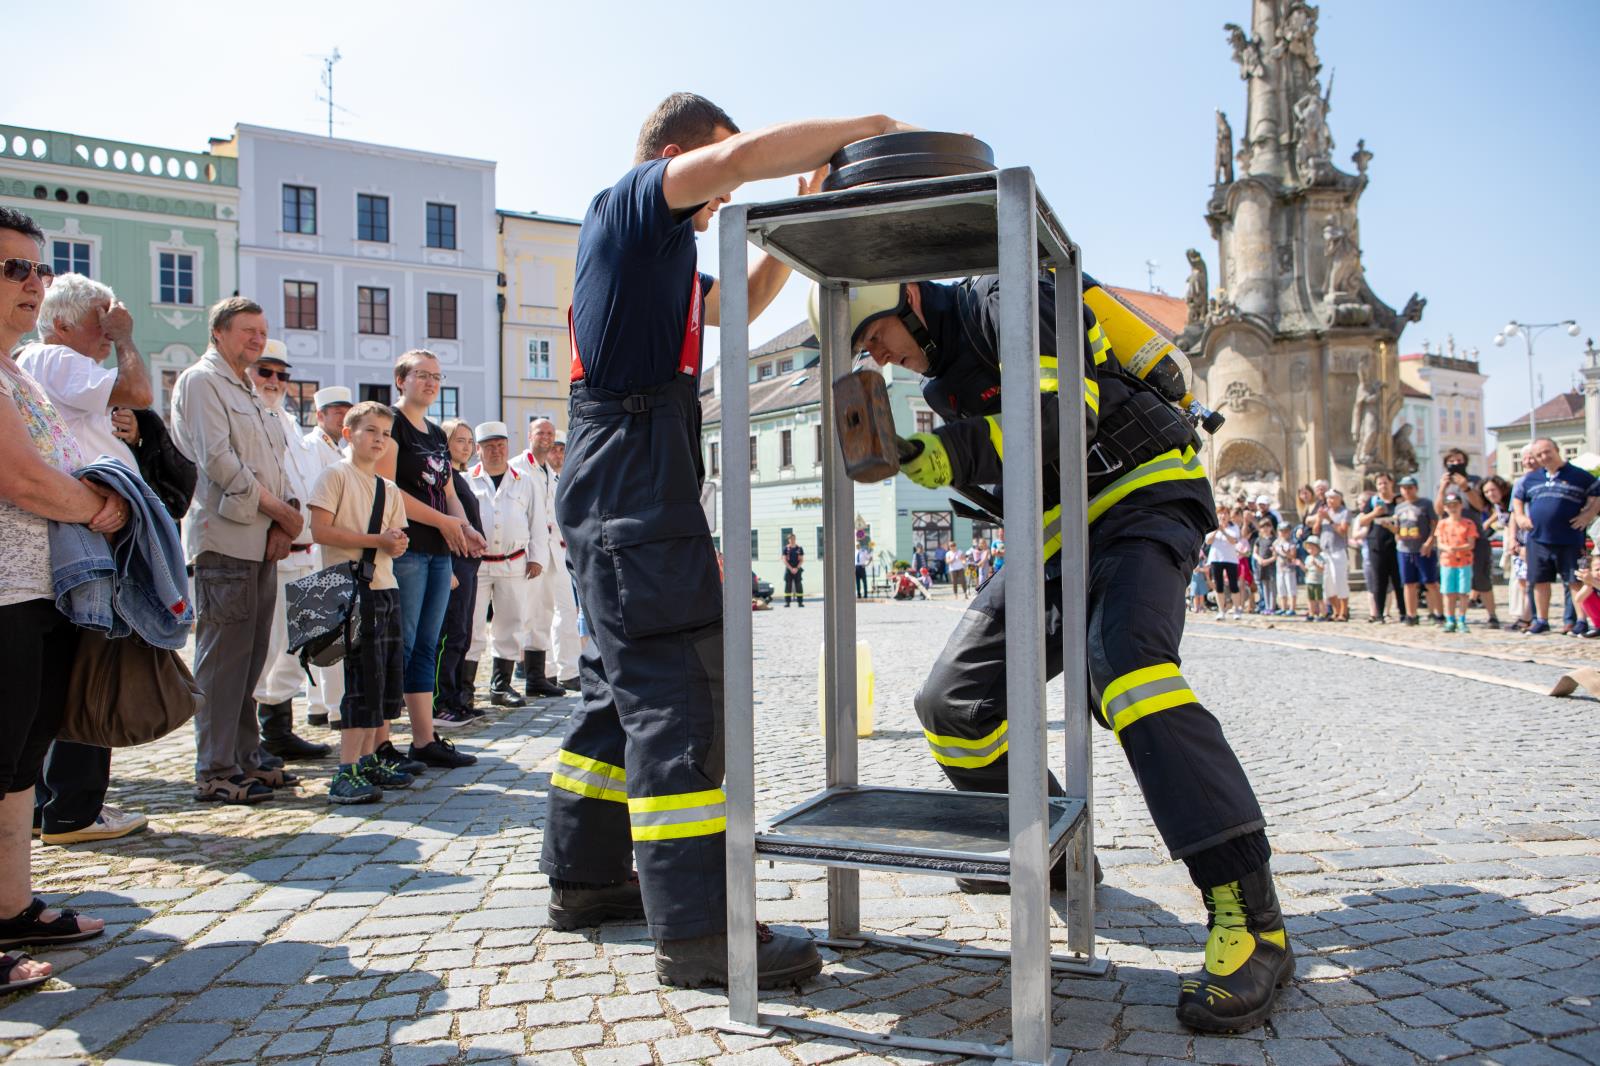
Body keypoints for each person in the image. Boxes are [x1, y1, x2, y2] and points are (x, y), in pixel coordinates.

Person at [811, 265, 1289, 1033]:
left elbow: (1064, 419)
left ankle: (1251, 917)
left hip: (1144, 496)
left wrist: (938, 455)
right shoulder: (945, 389)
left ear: (905, 299)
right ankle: (1056, 853)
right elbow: (1012, 478)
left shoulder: (1013, 296)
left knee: (1129, 673)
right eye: (864, 352)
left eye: (877, 337)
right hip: (1058, 538)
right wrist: (925, 451)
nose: (880, 357)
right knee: (952, 705)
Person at [541, 95, 920, 990]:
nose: (715, 202)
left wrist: (794, 209)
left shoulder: (662, 262)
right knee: (680, 695)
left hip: (622, 479)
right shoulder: (631, 204)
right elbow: (735, 160)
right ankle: (703, 931)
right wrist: (859, 128)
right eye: (707, 177)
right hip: (633, 481)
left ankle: (587, 880)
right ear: (674, 157)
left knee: (616, 692)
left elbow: (745, 300)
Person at [0, 207, 126, 990]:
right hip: (3, 594)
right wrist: (100, 510)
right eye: (15, 269)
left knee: (18, 761)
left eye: (38, 270)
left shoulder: (17, 371)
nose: (34, 284)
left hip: (34, 588)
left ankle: (11, 905)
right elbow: (17, 477)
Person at [16, 272, 151, 846]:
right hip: (84, 531)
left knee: (75, 669)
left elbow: (126, 409)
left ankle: (60, 805)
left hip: (83, 528)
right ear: (64, 322)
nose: (108, 329)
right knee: (88, 668)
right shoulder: (54, 356)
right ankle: (73, 807)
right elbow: (139, 391)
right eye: (101, 320)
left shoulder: (51, 366)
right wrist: (126, 339)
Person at [170, 297, 300, 804]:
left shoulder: (248, 389)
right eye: (247, 330)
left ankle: (246, 757)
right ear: (219, 333)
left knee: (250, 660)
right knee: (223, 661)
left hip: (260, 539)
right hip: (225, 539)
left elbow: (273, 461)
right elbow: (219, 461)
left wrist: (284, 517)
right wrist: (280, 512)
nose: (257, 339)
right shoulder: (202, 382)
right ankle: (216, 768)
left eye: (262, 331)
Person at [375, 350, 481, 768]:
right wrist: (445, 523)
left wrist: (463, 526)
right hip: (407, 547)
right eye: (422, 375)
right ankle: (381, 742)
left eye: (437, 376)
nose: (431, 383)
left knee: (426, 646)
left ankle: (423, 739)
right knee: (397, 644)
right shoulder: (392, 423)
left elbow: (450, 491)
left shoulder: (437, 433)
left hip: (439, 552)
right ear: (401, 379)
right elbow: (389, 490)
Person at [308, 401, 414, 804]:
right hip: (350, 590)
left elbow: (396, 539)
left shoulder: (388, 489)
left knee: (385, 679)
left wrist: (396, 544)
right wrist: (378, 542)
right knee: (360, 680)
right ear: (349, 433)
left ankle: (369, 758)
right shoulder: (334, 476)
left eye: (385, 434)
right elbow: (320, 530)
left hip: (386, 589)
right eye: (371, 431)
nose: (379, 440)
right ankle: (346, 768)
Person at [246, 341, 334, 762]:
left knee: (290, 648)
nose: (275, 382)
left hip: (306, 554)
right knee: (260, 648)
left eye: (282, 375)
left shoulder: (287, 422)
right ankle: (250, 738)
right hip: (269, 548)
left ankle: (277, 729)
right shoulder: (246, 415)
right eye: (266, 372)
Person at [465, 421, 535, 709]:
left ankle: (501, 685)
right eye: (490, 447)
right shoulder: (466, 479)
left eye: (501, 446)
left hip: (513, 561)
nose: (496, 451)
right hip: (476, 564)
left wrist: (538, 558)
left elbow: (536, 521)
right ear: (478, 450)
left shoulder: (524, 480)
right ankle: (464, 687)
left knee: (510, 622)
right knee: (471, 625)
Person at [300, 386, 354, 725]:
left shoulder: (341, 450)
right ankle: (329, 706)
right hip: (318, 547)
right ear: (320, 416)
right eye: (336, 411)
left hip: (335, 548)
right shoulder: (310, 448)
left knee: (331, 627)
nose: (342, 417)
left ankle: (323, 704)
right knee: (323, 627)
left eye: (346, 412)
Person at [511, 418, 576, 697]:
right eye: (541, 432)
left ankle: (559, 672)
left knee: (559, 610)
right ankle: (533, 672)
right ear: (530, 435)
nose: (547, 438)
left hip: (555, 550)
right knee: (526, 613)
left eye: (551, 433)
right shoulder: (517, 467)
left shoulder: (552, 472)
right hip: (529, 550)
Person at [1512, 438, 1600, 635]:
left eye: (1547, 451)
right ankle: (1541, 620)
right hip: (1538, 538)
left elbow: (1596, 493)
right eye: (1539, 454)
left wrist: (1588, 514)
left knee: (1575, 580)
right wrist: (1520, 515)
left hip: (1569, 537)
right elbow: (1517, 497)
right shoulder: (1531, 478)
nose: (1544, 457)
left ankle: (1581, 620)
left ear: (1556, 450)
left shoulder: (1579, 475)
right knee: (1539, 580)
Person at [437, 418, 486, 723]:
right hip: (453, 563)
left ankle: (455, 698)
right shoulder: (445, 479)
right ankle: (440, 702)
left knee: (462, 634)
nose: (466, 447)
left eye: (469, 441)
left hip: (468, 564)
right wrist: (447, 566)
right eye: (459, 440)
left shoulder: (459, 477)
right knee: (449, 635)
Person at [1435, 448, 1500, 629]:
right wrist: (1442, 488)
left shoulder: (1474, 481)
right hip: (1450, 541)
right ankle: (1452, 618)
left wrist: (1465, 487)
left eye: (1459, 460)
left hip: (1474, 535)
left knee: (1481, 578)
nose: (1455, 464)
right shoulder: (1443, 483)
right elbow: (1438, 510)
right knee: (1450, 582)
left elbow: (1481, 506)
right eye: (1451, 460)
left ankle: (1492, 615)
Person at [1388, 475, 1442, 627]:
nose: (1407, 491)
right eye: (1404, 488)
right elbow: (1398, 529)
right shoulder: (1399, 507)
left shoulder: (1425, 504)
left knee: (1430, 582)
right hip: (1405, 548)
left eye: (1410, 488)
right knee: (1409, 583)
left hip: (1423, 548)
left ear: (1416, 488)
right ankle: (1411, 614)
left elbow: (1434, 524)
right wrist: (1392, 529)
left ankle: (1438, 612)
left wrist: (1430, 542)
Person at [1357, 473, 1403, 624]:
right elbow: (1362, 521)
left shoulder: (1398, 501)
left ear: (1391, 483)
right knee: (1379, 581)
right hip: (1376, 544)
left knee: (1399, 581)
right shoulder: (1373, 501)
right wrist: (1375, 513)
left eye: (1385, 483)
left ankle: (1404, 612)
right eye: (1379, 484)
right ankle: (1379, 614)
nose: (1383, 486)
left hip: (1396, 544)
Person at [1435, 491, 1480, 633]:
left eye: (1455, 505)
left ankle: (1462, 618)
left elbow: (1471, 543)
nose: (1453, 508)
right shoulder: (1442, 524)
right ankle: (1450, 619)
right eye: (1449, 506)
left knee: (1463, 592)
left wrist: (1457, 548)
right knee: (1449, 592)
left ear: (1461, 506)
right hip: (1448, 561)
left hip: (1464, 561)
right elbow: (1439, 543)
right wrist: (1448, 548)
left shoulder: (1468, 523)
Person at [1314, 489, 1351, 622]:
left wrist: (1329, 520)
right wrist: (1319, 519)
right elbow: (1316, 530)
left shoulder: (1344, 513)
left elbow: (1343, 531)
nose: (1330, 501)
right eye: (1328, 498)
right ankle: (1335, 610)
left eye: (1333, 498)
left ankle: (1344, 611)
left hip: (1338, 550)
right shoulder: (1325, 512)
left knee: (1340, 582)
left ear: (1339, 499)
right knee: (1327, 584)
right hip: (1326, 552)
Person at [1205, 506, 1242, 619]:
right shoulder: (1212, 526)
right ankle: (1221, 611)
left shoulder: (1234, 527)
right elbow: (1208, 541)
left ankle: (1236, 610)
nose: (1223, 516)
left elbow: (1234, 541)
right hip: (1216, 559)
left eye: (1225, 513)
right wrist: (1217, 529)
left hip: (1230, 559)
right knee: (1218, 585)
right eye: (1221, 513)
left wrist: (1224, 531)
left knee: (1233, 585)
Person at [1273, 523, 1300, 615]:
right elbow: (1274, 554)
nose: (1283, 533)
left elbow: (1293, 556)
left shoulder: (1291, 543)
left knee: (1291, 588)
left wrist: (1285, 553)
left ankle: (1292, 608)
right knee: (1281, 588)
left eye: (1286, 531)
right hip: (1279, 568)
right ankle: (1283, 607)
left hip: (1289, 568)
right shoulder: (1277, 542)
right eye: (1281, 531)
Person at [1251, 517, 1276, 615]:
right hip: (1261, 567)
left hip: (1271, 567)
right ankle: (1266, 606)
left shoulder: (1274, 540)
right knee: (1264, 587)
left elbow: (1275, 555)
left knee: (1272, 587)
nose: (1265, 529)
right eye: (1262, 527)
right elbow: (1254, 553)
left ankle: (1272, 607)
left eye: (1267, 526)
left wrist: (1267, 561)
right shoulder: (1259, 539)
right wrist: (1259, 559)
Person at [1303, 539, 1326, 620]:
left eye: (1313, 548)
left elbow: (1322, 569)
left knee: (1319, 599)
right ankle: (1311, 613)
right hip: (1309, 580)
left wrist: (1316, 564)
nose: (1311, 550)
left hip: (1318, 582)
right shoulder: (1308, 558)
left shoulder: (1320, 558)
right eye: (1309, 548)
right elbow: (1306, 569)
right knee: (1310, 599)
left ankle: (1322, 614)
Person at [782, 531, 805, 607]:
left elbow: (801, 559)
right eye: (790, 539)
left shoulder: (799, 548)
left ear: (795, 539)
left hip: (797, 569)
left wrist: (797, 568)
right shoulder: (786, 548)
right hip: (789, 569)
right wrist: (791, 568)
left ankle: (800, 602)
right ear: (788, 540)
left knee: (799, 585)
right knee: (788, 585)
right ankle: (787, 602)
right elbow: (784, 560)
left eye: (793, 539)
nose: (792, 540)